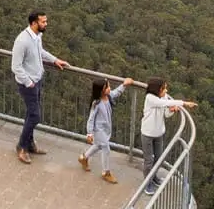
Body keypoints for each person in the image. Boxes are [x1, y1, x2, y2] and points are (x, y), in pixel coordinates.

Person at [10, 10, 67, 164]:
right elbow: (15, 66)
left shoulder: (37, 37)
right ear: (34, 23)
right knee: (35, 116)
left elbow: (39, 52)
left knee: (31, 114)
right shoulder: (22, 40)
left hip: (37, 80)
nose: (45, 24)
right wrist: (29, 82)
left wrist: (54, 60)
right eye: (43, 22)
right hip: (28, 84)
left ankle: (29, 144)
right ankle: (21, 147)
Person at [140, 77, 197, 194]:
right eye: (163, 88)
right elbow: (163, 103)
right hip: (147, 133)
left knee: (159, 158)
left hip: (159, 132)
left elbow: (166, 114)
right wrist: (184, 103)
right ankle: (147, 184)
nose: (166, 90)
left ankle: (153, 176)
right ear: (157, 89)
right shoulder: (150, 98)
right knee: (148, 160)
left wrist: (172, 110)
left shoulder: (163, 97)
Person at [79, 76, 134, 183]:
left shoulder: (108, 97)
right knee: (106, 149)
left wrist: (124, 85)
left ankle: (84, 157)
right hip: (98, 130)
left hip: (105, 129)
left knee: (99, 145)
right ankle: (106, 172)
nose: (109, 88)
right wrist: (89, 133)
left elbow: (116, 92)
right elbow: (91, 119)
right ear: (100, 91)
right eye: (107, 87)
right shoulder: (97, 103)